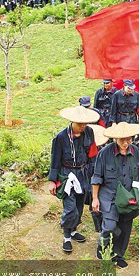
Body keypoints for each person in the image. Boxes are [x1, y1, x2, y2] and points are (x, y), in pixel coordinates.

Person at [91, 122, 139, 268]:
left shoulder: (136, 152)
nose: (126, 143)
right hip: (110, 196)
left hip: (129, 196)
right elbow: (96, 177)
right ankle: (102, 247)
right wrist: (95, 198)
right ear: (115, 139)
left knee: (126, 227)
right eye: (122, 140)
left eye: (129, 139)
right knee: (110, 226)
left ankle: (118, 255)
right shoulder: (105, 153)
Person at [49, 106, 100, 253]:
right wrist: (53, 180)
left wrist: (95, 176)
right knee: (70, 208)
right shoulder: (61, 137)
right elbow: (55, 159)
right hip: (67, 174)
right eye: (80, 124)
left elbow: (93, 155)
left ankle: (73, 230)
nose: (83, 126)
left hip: (83, 173)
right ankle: (66, 237)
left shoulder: (89, 132)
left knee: (79, 206)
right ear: (72, 122)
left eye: (85, 123)